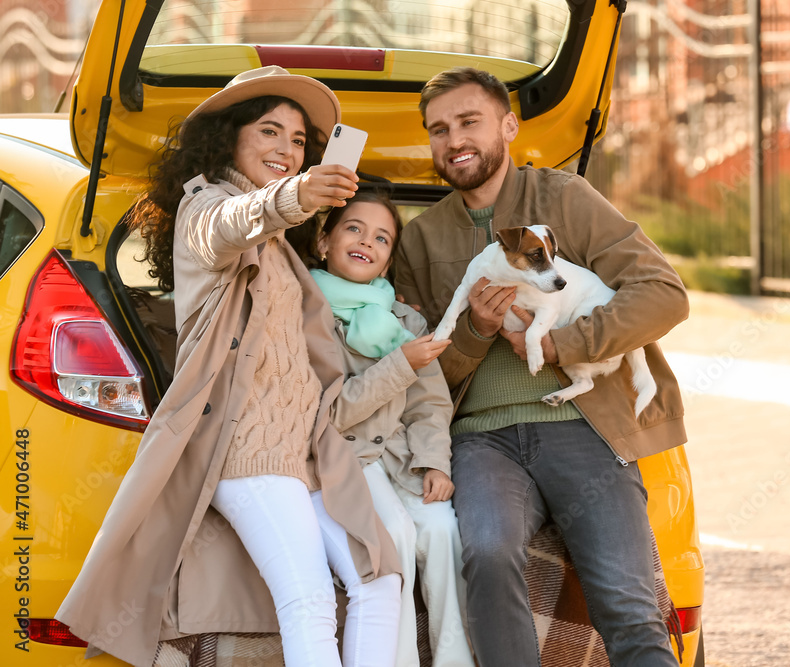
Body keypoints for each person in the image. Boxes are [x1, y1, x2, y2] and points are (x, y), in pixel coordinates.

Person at [56, 66, 402, 667]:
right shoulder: (205, 209)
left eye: (297, 141)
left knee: (380, 579)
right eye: (270, 132)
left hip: (309, 452)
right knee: (312, 601)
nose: (286, 149)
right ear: (230, 139)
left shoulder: (281, 246)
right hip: (246, 450)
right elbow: (230, 224)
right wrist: (292, 198)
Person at [393, 67, 690, 667]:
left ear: (508, 124)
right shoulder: (420, 240)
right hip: (481, 443)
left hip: (587, 427)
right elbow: (418, 380)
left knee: (629, 602)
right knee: (486, 554)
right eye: (439, 129)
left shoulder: (563, 199)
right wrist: (474, 332)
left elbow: (664, 293)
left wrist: (562, 346)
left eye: (469, 121)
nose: (454, 140)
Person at [291, 191, 476, 667]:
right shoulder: (305, 316)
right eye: (353, 228)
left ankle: (454, 660)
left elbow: (429, 404)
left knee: (443, 530)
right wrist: (398, 364)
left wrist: (434, 461)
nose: (366, 242)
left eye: (382, 238)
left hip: (398, 457)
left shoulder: (405, 321)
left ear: (389, 259)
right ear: (324, 239)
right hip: (344, 458)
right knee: (392, 537)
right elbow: (324, 416)